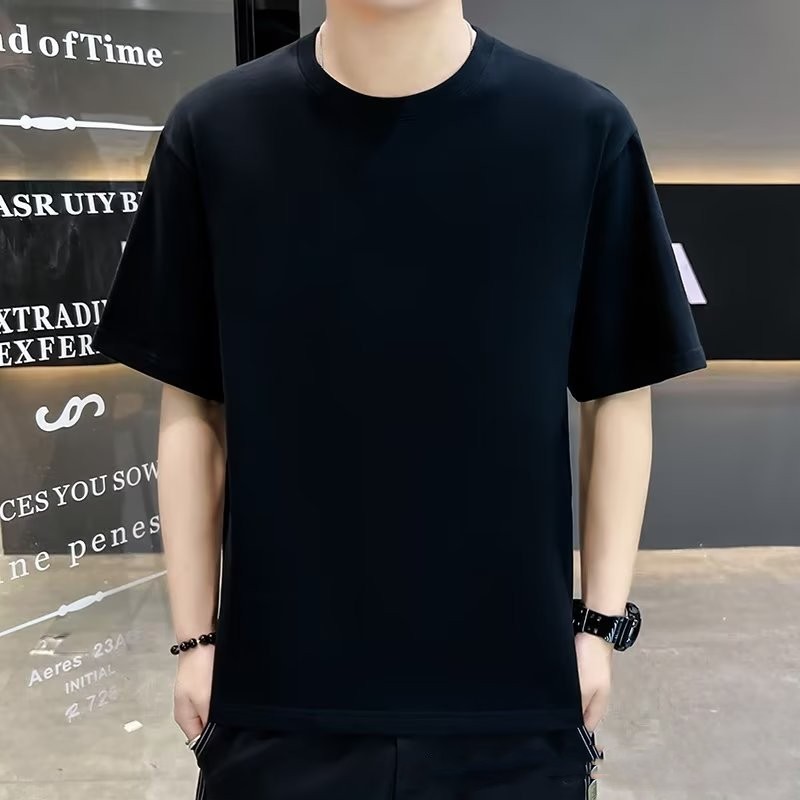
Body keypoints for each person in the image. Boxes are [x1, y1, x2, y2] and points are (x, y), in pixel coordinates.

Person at [91, 1, 707, 797]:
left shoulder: (579, 128)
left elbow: (619, 390)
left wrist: (597, 629)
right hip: (276, 689)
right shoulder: (216, 131)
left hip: (512, 689)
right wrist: (195, 641)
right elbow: (193, 403)